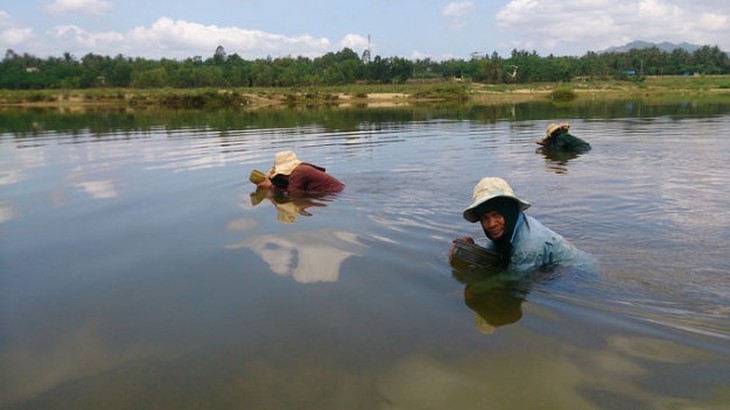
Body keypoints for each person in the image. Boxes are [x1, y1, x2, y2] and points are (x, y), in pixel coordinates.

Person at [450, 177, 584, 273]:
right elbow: (496, 255)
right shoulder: (508, 230)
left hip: (576, 274)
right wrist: (473, 249)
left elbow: (512, 282)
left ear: (509, 212)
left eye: (497, 215)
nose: (491, 224)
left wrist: (476, 290)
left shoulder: (529, 245)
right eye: (485, 218)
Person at [255, 151, 344, 195]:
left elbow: (293, 194)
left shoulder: (298, 172)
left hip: (333, 193)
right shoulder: (302, 167)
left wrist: (270, 187)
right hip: (337, 190)